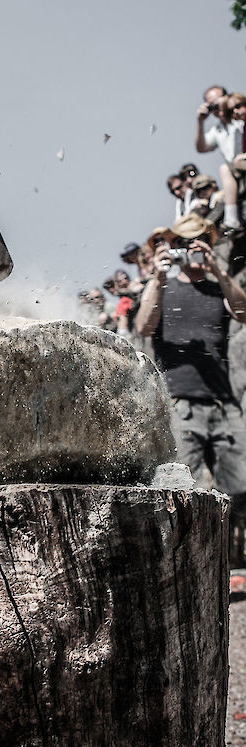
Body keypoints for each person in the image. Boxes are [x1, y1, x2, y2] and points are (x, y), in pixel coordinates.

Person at [135, 213, 246, 548]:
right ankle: (194, 561)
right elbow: (143, 326)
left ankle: (231, 556)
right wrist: (157, 277)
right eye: (181, 243)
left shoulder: (218, 287)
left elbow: (243, 312)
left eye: (197, 242)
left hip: (224, 403)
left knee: (240, 485)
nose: (189, 250)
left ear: (209, 245)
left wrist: (218, 270)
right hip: (179, 403)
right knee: (184, 490)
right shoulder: (161, 287)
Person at [195, 84, 244, 229]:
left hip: (241, 163)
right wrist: (200, 122)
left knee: (225, 168)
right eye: (211, 104)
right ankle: (231, 219)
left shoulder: (239, 116)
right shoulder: (217, 130)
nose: (215, 106)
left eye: (217, 100)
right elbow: (201, 147)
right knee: (225, 168)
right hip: (235, 172)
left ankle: (231, 218)